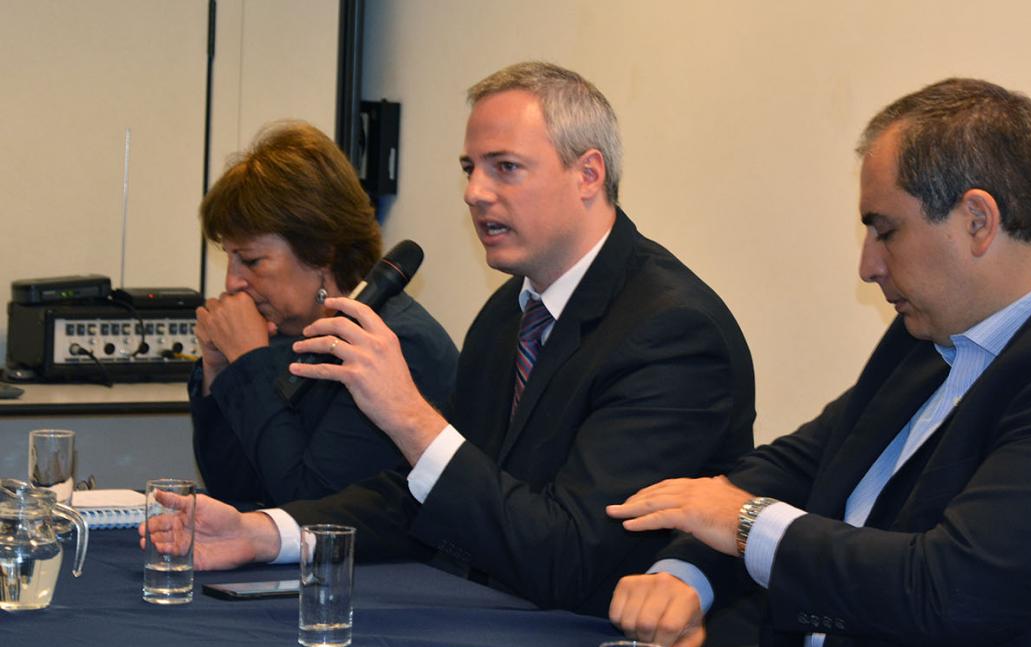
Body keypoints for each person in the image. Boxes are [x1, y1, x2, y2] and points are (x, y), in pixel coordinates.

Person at [606, 79, 1031, 647]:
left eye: (885, 230)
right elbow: (801, 466)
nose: (868, 266)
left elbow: (953, 590)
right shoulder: (935, 329)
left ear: (977, 220)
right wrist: (687, 572)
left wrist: (745, 524)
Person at [147, 62, 755, 617]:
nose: (474, 193)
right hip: (496, 623)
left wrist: (409, 417)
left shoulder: (671, 332)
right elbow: (424, 499)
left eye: (505, 167)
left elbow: (569, 555)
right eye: (470, 169)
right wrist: (263, 533)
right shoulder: (508, 314)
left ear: (587, 175)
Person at [190, 121, 458, 507]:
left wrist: (248, 363)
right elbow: (235, 492)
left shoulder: (395, 345)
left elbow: (312, 506)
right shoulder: (292, 334)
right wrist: (219, 368)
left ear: (321, 252)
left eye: (251, 260)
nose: (232, 282)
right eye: (229, 259)